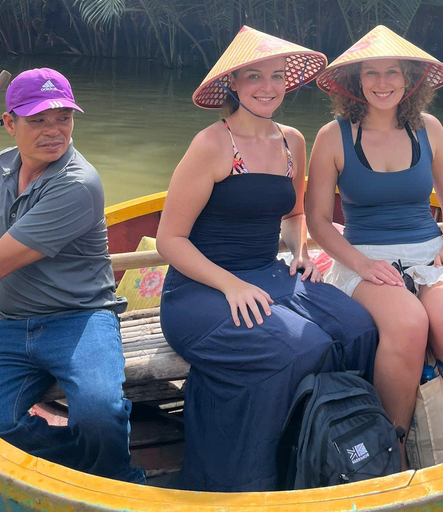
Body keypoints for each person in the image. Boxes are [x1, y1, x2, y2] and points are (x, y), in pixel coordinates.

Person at [156, 26, 378, 492]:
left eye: (277, 76)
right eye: (254, 76)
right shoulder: (212, 145)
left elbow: (294, 214)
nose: (267, 87)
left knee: (358, 328)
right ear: (233, 83)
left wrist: (300, 254)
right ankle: (250, 474)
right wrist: (231, 285)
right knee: (301, 347)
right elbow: (169, 240)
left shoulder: (292, 141)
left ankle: (324, 449)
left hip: (270, 274)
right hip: (200, 290)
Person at [0, 68, 144, 483]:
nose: (54, 131)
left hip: (80, 318)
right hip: (12, 321)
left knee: (98, 412)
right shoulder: (4, 164)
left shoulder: (77, 184)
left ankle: (118, 476)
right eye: (38, 120)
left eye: (63, 118)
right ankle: (80, 462)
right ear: (9, 123)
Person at [306, 25, 443, 461]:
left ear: (409, 79)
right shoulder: (333, 136)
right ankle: (396, 450)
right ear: (355, 81)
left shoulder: (429, 129)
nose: (382, 82)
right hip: (364, 257)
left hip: (430, 251)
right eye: (371, 73)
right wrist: (360, 264)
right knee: (409, 323)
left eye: (392, 72)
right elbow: (317, 220)